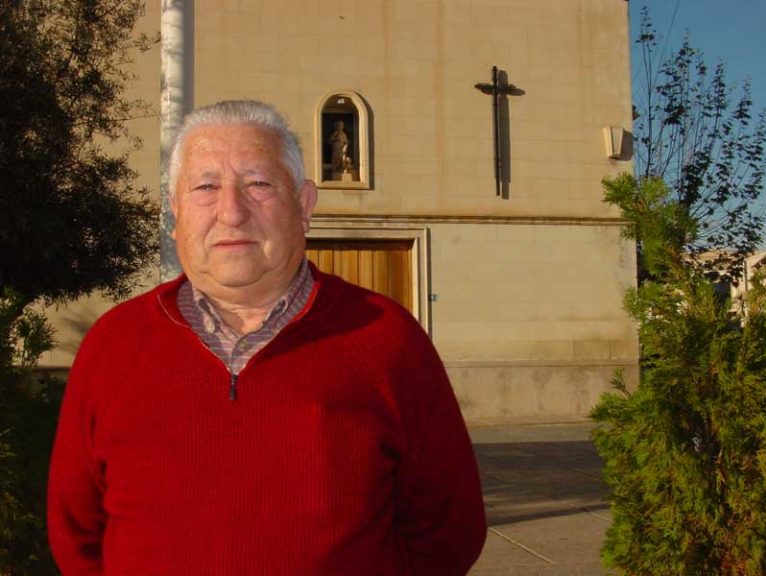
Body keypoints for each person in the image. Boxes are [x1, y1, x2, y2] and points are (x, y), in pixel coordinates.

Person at [47, 99, 487, 575]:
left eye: (258, 184)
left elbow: (448, 528)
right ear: (174, 211)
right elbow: (76, 532)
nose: (231, 212)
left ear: (303, 204)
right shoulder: (114, 344)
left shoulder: (385, 338)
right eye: (205, 186)